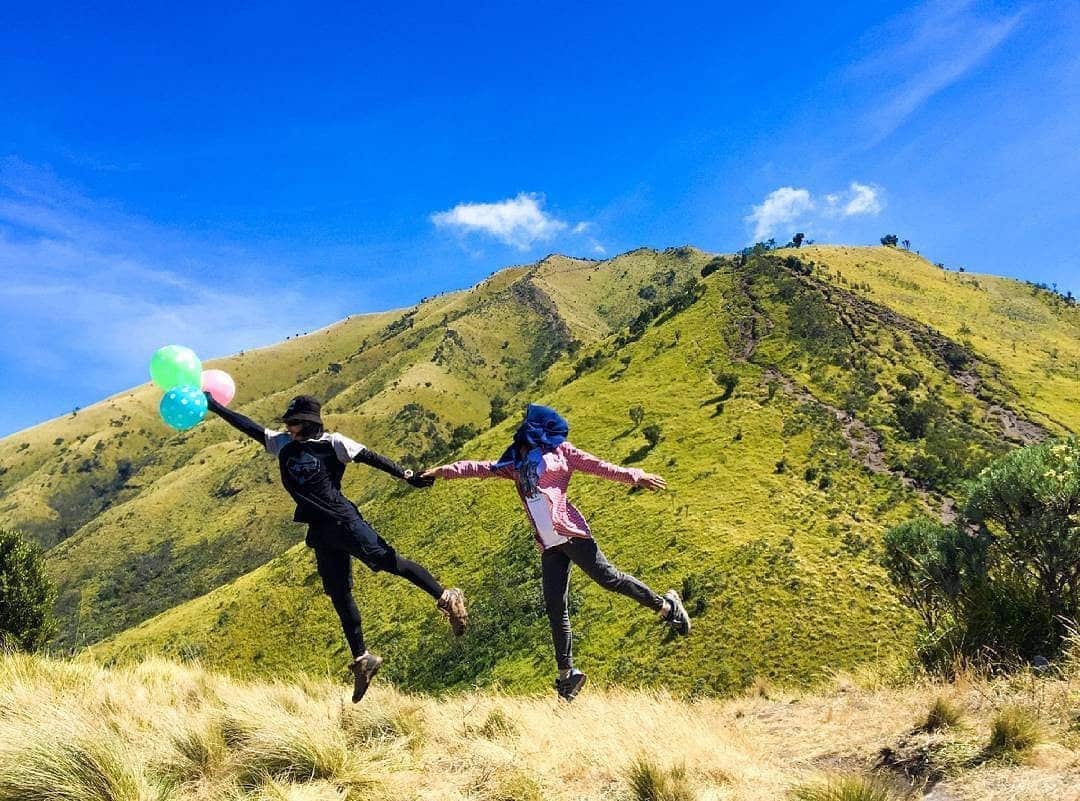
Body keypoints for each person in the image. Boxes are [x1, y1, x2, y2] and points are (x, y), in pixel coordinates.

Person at [205, 392, 467, 702]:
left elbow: (372, 458)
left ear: (306, 423)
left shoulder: (333, 443)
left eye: (292, 423)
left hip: (345, 522)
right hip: (320, 532)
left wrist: (407, 475)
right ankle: (363, 659)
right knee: (338, 593)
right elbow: (248, 427)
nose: (287, 428)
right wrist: (214, 406)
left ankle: (446, 597)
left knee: (388, 561)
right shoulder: (283, 445)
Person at [422, 404, 690, 701]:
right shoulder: (513, 463)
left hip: (570, 535)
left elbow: (597, 466)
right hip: (549, 545)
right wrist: (441, 471)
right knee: (554, 606)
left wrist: (635, 476)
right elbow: (476, 468)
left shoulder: (561, 451)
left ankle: (667, 607)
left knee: (609, 579)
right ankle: (567, 676)